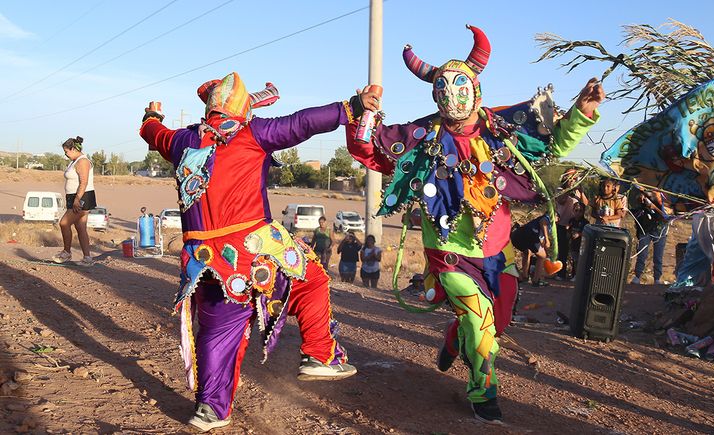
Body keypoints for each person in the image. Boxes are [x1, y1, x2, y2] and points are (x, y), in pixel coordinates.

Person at [345, 25, 603, 423]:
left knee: (495, 323)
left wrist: (582, 114)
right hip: (449, 253)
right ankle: (483, 393)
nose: (452, 97)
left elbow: (549, 147)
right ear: (435, 95)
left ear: (476, 90)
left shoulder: (501, 129)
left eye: (460, 87)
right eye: (443, 90)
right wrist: (362, 112)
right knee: (480, 323)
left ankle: (454, 339)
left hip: (498, 250)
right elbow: (370, 149)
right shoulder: (421, 136)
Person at [139, 73, 358, 432]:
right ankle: (319, 354)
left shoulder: (181, 141)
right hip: (251, 247)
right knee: (312, 277)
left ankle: (210, 410)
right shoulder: (251, 134)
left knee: (217, 331)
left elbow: (152, 133)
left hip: (202, 261)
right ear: (243, 109)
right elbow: (303, 122)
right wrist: (350, 108)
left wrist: (152, 116)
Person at [53, 136, 97, 266]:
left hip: (82, 197)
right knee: (80, 227)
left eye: (66, 151)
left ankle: (66, 253)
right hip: (74, 197)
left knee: (64, 223)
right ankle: (87, 258)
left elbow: (84, 182)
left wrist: (77, 200)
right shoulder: (74, 161)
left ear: (72, 149)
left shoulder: (82, 161)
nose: (65, 154)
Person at [630, 187, 670, 285]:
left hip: (660, 231)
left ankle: (657, 278)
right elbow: (635, 207)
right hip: (645, 229)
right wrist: (641, 199)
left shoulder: (667, 204)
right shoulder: (645, 200)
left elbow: (666, 217)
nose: (652, 193)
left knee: (658, 256)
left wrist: (654, 207)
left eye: (655, 192)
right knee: (642, 254)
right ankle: (637, 276)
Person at [555, 168, 589, 280]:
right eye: (570, 178)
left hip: (575, 225)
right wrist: (569, 189)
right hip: (562, 224)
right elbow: (561, 200)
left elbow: (585, 204)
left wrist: (581, 191)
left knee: (576, 251)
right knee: (562, 250)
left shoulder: (578, 191)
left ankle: (574, 274)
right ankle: (561, 273)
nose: (572, 180)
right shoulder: (560, 189)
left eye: (574, 178)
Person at [510, 214, 553, 287]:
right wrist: (547, 239)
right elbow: (543, 222)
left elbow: (540, 241)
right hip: (529, 234)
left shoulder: (538, 223)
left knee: (527, 252)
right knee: (542, 256)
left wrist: (545, 246)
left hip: (517, 235)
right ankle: (536, 280)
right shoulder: (547, 218)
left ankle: (524, 276)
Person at [568, 201, 590, 279]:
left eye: (580, 211)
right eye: (576, 210)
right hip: (573, 243)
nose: (578, 213)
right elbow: (569, 230)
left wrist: (579, 234)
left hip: (581, 244)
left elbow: (586, 233)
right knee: (574, 260)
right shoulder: (571, 221)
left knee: (579, 261)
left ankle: (578, 275)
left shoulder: (585, 222)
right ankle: (573, 274)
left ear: (583, 211)